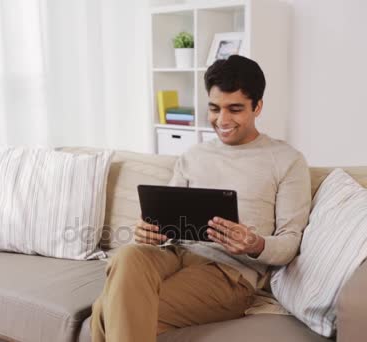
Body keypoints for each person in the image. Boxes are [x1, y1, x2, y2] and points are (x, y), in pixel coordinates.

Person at [90, 55, 312, 342]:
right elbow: (164, 216)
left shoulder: (287, 160)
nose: (222, 120)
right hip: (173, 254)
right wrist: (147, 232)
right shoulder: (193, 156)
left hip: (229, 273)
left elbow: (290, 241)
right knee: (128, 254)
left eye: (235, 109)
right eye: (214, 108)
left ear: (257, 106)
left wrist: (254, 243)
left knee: (106, 310)